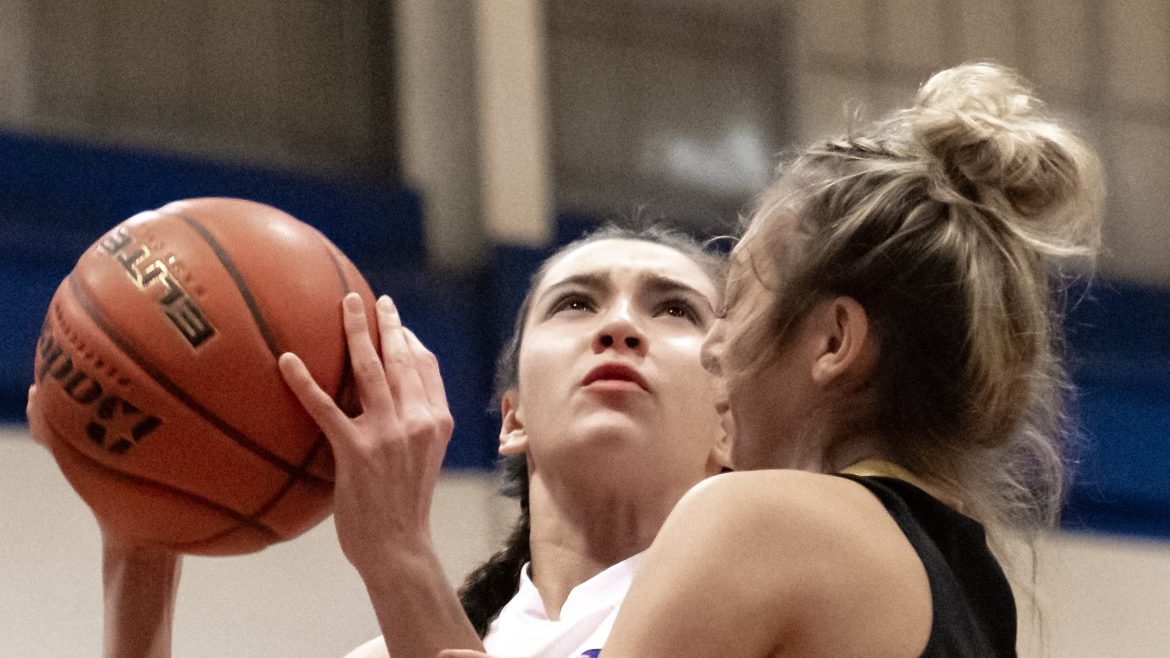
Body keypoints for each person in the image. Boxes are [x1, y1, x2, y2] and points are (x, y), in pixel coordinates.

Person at [445, 62, 1105, 657]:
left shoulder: (757, 519)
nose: (713, 348)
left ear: (832, 343)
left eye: (732, 305)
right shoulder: (978, 593)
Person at [26, 224, 732, 658]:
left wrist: (396, 553)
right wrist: (139, 554)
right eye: (575, 303)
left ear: (730, 424)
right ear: (512, 419)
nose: (618, 327)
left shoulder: (767, 598)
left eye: (673, 309)